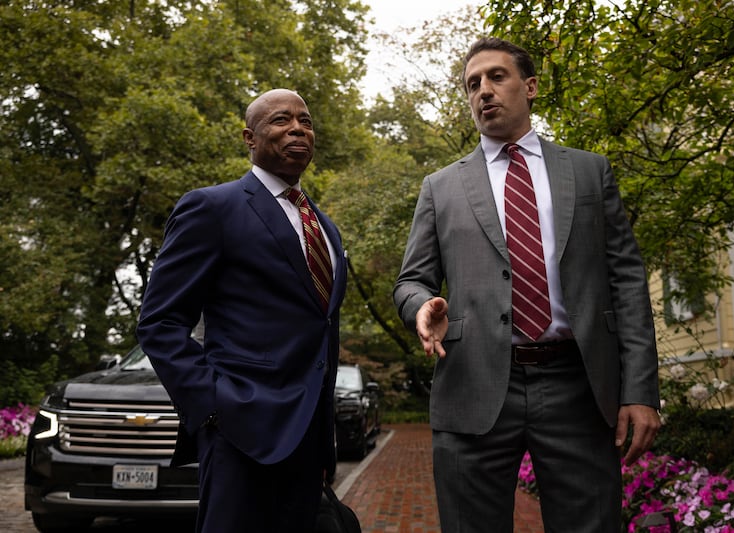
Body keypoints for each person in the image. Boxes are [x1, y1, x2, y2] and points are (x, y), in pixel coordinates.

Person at [393, 38, 661, 533]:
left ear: (530, 86)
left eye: (497, 77)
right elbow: (411, 279)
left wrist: (640, 390)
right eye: (473, 84)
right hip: (471, 383)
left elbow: (626, 280)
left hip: (577, 385)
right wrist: (420, 307)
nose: (484, 92)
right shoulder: (441, 187)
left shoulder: (588, 171)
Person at [137, 88, 347, 533]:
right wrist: (214, 407)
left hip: (308, 441)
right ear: (250, 138)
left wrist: (324, 440)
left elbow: (323, 329)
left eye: (305, 121)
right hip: (241, 431)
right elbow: (160, 322)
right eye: (280, 120)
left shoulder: (324, 226)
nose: (297, 129)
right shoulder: (212, 207)